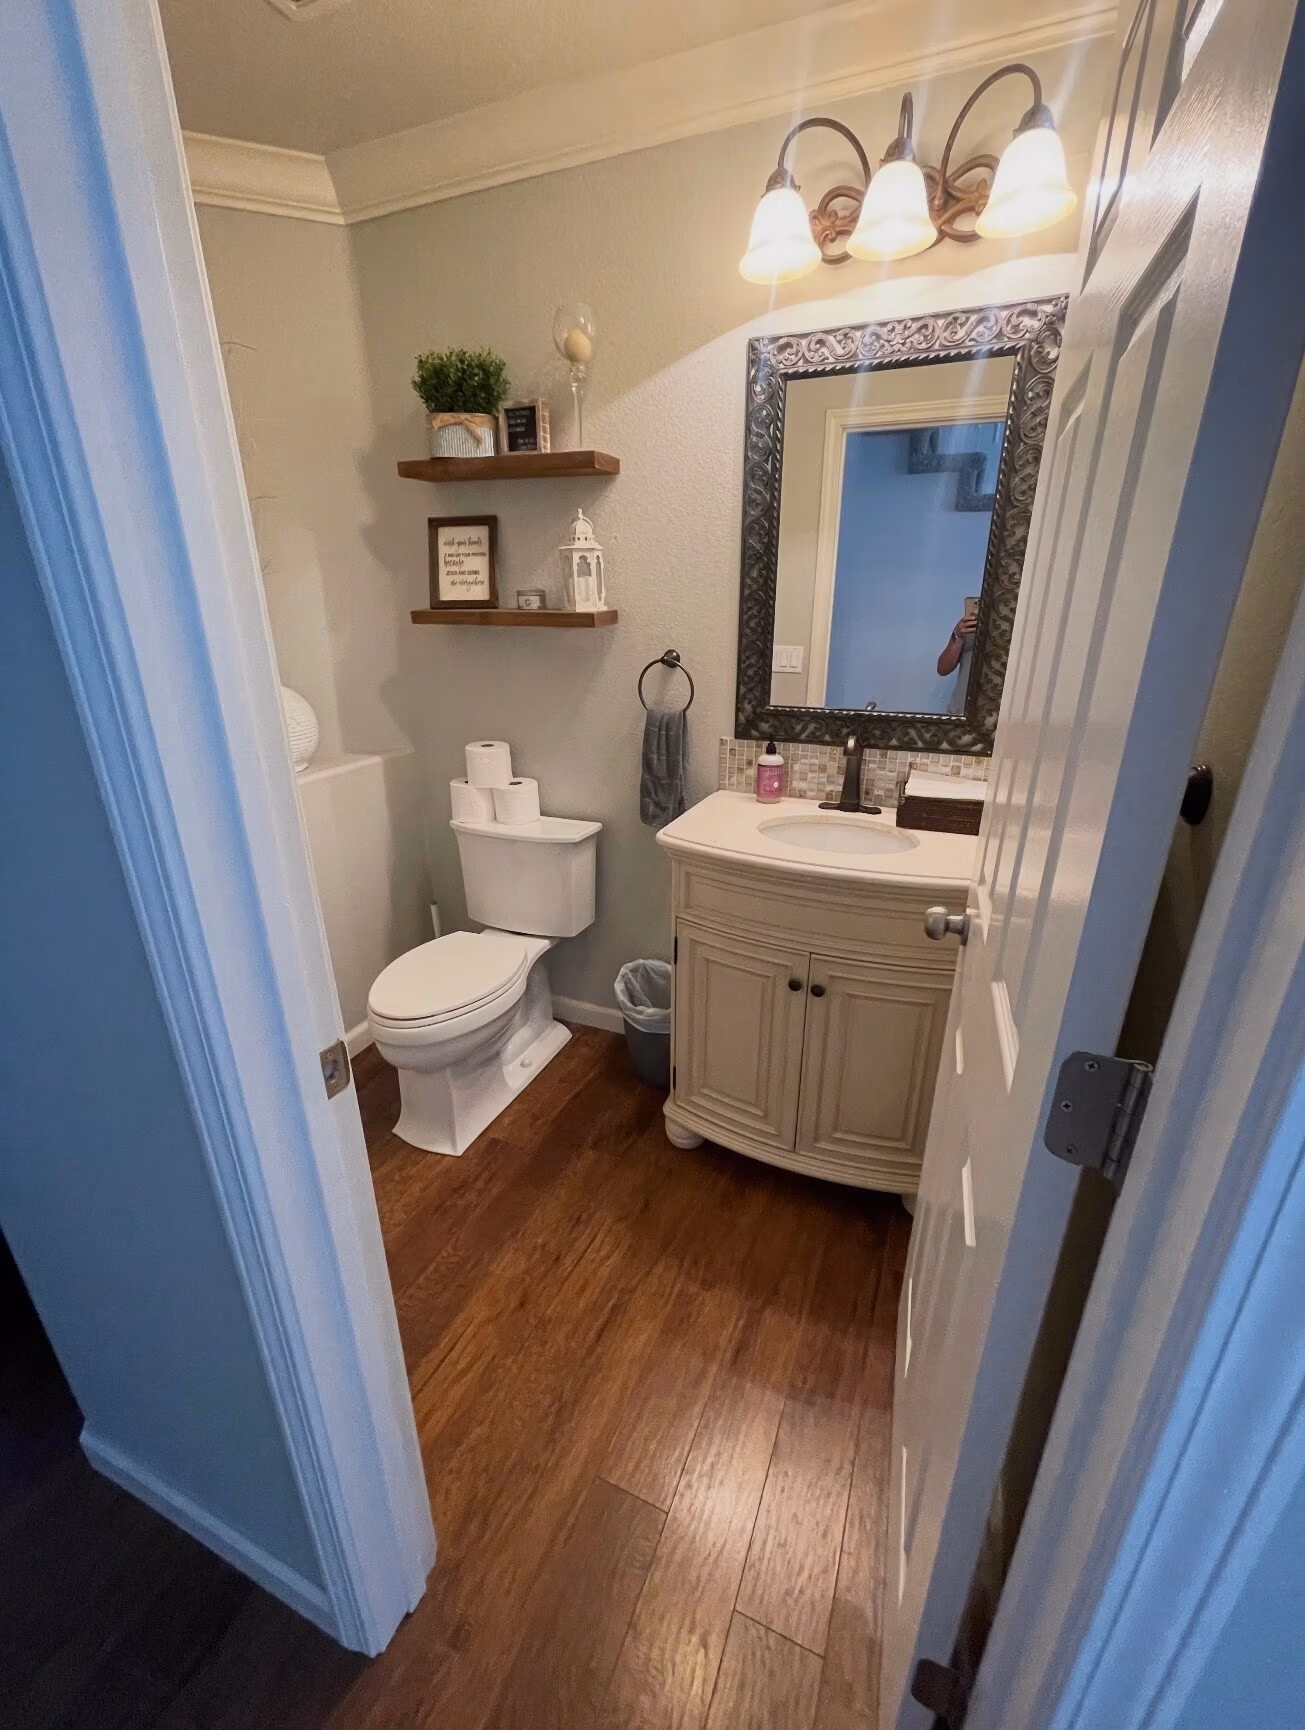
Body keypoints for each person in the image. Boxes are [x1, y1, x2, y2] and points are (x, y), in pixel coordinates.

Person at [937, 611, 977, 716]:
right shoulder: (969, 626)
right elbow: (942, 669)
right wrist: (957, 635)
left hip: (1000, 720)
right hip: (959, 717)